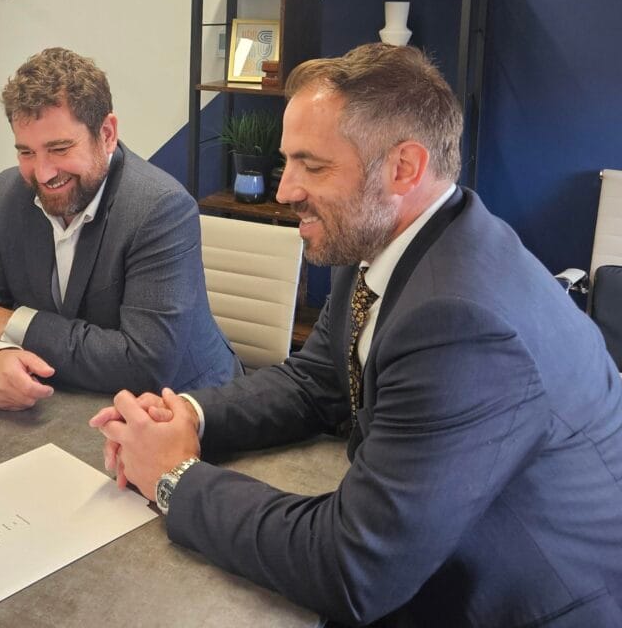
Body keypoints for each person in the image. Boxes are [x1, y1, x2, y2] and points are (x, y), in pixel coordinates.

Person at [92, 43, 622, 627]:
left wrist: (176, 478)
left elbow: (353, 566)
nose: (285, 190)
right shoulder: (382, 238)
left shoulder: (463, 322)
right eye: (287, 161)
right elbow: (317, 380)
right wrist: (191, 418)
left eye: (313, 166)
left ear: (404, 168)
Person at [0, 47, 238, 410]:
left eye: (59, 148)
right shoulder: (9, 194)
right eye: (26, 152)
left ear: (107, 133)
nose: (43, 173)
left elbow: (145, 363)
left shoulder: (159, 209)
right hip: (66, 404)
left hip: (182, 408)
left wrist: (14, 322)